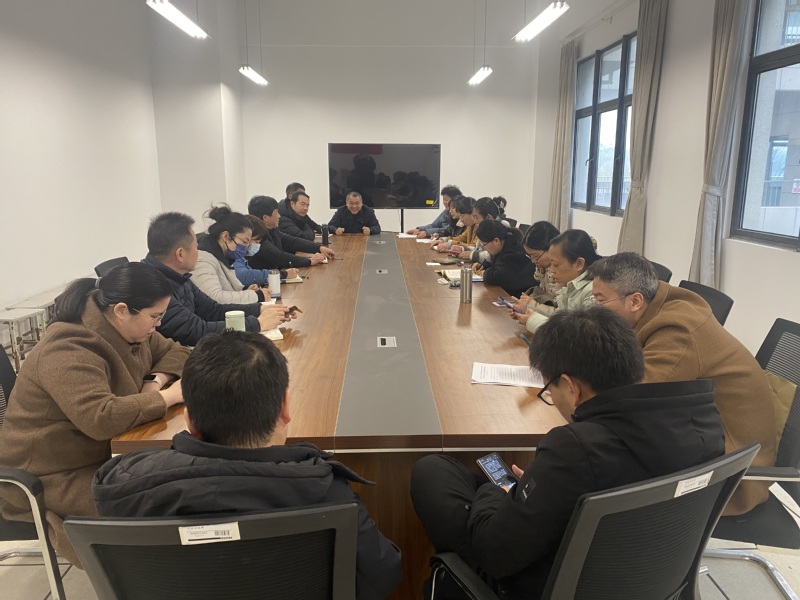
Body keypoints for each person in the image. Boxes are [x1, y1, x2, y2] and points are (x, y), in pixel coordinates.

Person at [410, 307, 725, 600]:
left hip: (549, 585)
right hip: (647, 576)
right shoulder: (702, 423)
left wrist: (500, 494)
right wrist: (540, 486)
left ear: (571, 387)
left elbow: (495, 554)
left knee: (433, 472)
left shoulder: (575, 447)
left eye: (549, 389)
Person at [93, 330, 403, 600]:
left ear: (189, 421)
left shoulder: (126, 488)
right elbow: (382, 574)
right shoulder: (324, 491)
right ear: (285, 407)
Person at [0, 263, 191, 565]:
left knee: (179, 481)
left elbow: (176, 351)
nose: (158, 324)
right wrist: (167, 397)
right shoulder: (66, 349)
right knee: (155, 503)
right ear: (121, 310)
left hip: (102, 453)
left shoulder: (130, 331)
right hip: (50, 475)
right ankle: (147, 578)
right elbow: (101, 418)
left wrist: (154, 381)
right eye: (155, 316)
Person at [589, 251, 778, 516]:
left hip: (731, 472)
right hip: (703, 436)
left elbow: (635, 396)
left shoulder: (677, 329)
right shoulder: (657, 305)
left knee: (596, 457)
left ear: (635, 301)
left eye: (600, 300)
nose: (595, 308)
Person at [142, 212, 291, 346]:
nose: (198, 251)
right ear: (180, 254)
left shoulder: (180, 277)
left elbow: (213, 310)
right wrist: (257, 324)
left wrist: (259, 309)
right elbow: (195, 331)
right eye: (195, 247)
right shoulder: (153, 286)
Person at [511, 229, 599, 334]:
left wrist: (532, 320)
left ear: (579, 264)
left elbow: (574, 335)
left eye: (556, 265)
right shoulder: (570, 286)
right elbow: (558, 319)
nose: (552, 270)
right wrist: (527, 311)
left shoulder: (594, 292)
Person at [193, 204, 271, 303]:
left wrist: (245, 290)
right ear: (226, 236)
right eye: (244, 242)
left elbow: (228, 289)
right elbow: (214, 297)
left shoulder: (223, 255)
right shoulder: (203, 259)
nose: (246, 247)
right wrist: (256, 296)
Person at [248, 195, 335, 269]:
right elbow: (279, 256)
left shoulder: (273, 230)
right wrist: (309, 261)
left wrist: (319, 248)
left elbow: (292, 241)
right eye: (276, 213)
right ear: (265, 217)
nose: (279, 216)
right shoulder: (256, 237)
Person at [472, 219, 537, 298]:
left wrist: (485, 273)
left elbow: (497, 277)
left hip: (521, 297)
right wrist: (484, 266)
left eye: (484, 244)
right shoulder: (507, 244)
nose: (483, 248)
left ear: (496, 241)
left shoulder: (512, 253)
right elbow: (499, 266)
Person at [231, 216, 300, 287]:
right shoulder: (233, 255)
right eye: (256, 241)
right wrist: (282, 274)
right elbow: (245, 276)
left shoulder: (241, 256)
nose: (257, 245)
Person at [514, 221, 561, 307]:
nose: (533, 261)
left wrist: (532, 304)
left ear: (551, 248)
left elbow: (561, 309)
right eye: (530, 256)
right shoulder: (542, 268)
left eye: (536, 256)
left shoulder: (564, 272)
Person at [469, 197, 508, 266]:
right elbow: (478, 248)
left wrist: (472, 254)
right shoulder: (484, 229)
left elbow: (493, 256)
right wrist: (462, 249)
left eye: (476, 218)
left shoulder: (502, 226)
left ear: (488, 217)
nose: (474, 221)